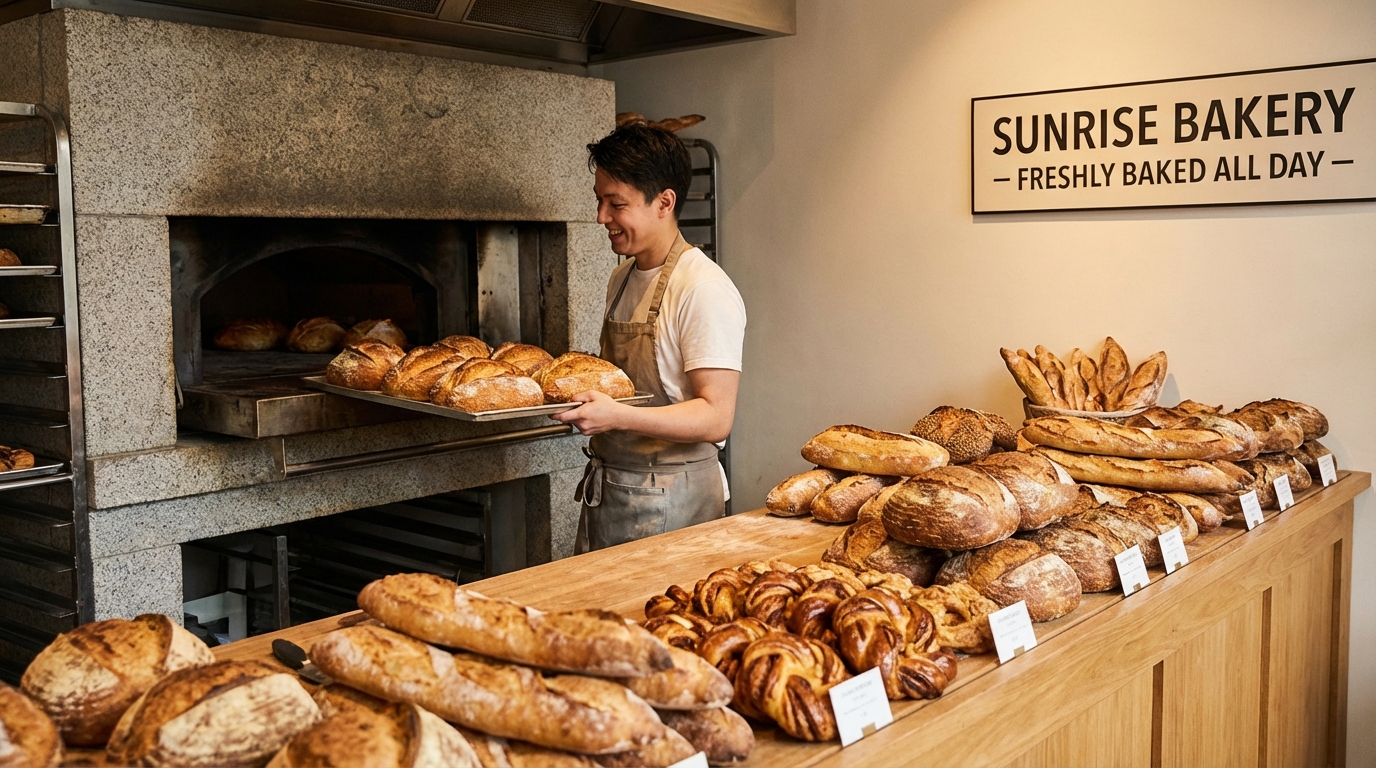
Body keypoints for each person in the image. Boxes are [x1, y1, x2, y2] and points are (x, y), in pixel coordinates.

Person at [551, 124, 746, 553]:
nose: (602, 217)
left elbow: (716, 417)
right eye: (599, 201)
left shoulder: (702, 288)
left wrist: (618, 416)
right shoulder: (622, 277)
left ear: (665, 202)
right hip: (612, 488)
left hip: (674, 498)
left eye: (615, 204)